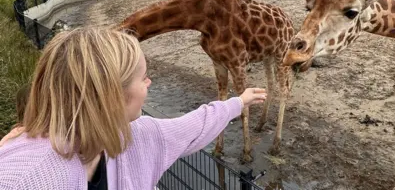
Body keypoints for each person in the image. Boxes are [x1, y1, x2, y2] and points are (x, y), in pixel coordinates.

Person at [0, 26, 267, 189]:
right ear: (111, 95)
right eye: (143, 77)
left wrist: (239, 102)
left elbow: (194, 126)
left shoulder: (135, 133)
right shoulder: (26, 177)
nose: (149, 82)